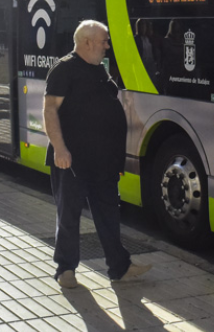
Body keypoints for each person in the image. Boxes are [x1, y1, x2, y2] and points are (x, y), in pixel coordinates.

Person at [43, 20, 150, 289]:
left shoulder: (98, 70)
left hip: (103, 161)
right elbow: (50, 111)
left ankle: (119, 267)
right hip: (73, 160)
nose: (107, 46)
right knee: (68, 215)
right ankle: (66, 269)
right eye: (104, 41)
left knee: (108, 215)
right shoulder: (64, 69)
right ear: (88, 42)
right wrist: (60, 148)